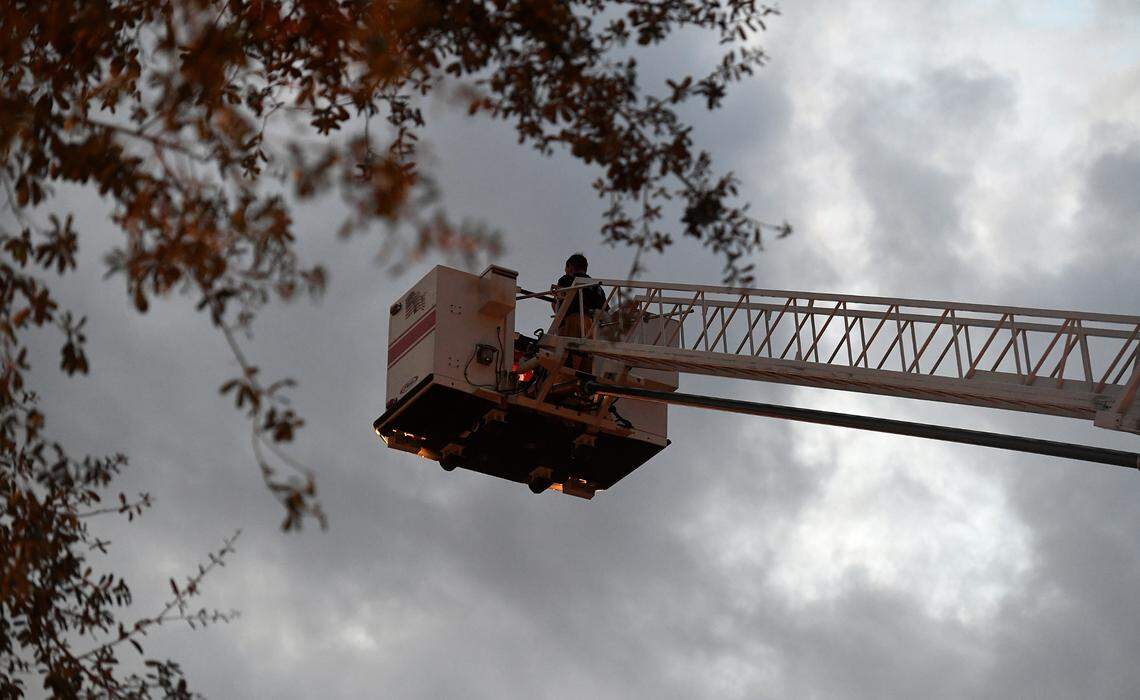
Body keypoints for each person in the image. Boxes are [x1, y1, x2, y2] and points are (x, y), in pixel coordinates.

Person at [553, 253, 607, 339]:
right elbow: (605, 310)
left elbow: (558, 304)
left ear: (569, 266)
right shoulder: (597, 287)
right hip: (593, 328)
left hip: (572, 322)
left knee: (569, 349)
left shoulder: (566, 280)